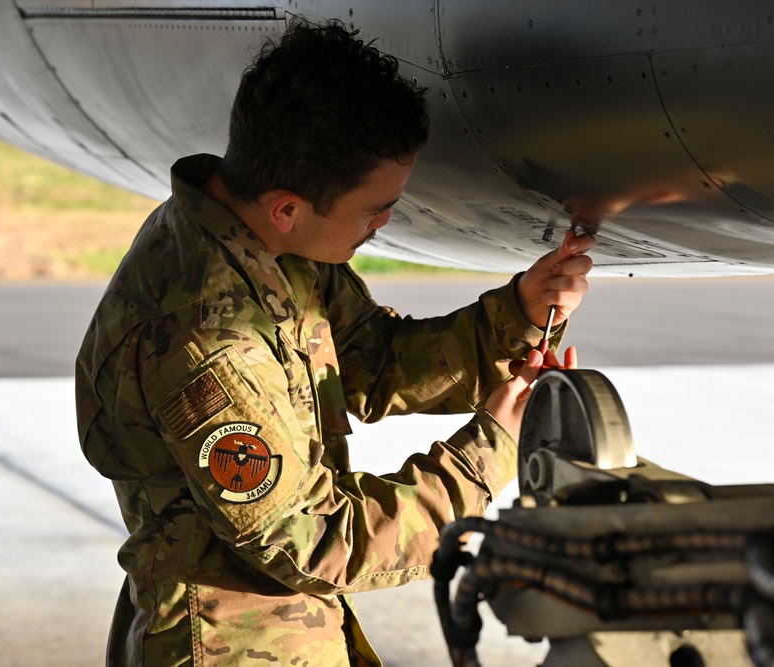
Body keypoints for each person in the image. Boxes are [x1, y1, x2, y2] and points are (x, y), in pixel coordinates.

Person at [75, 19, 595, 667]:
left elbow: (371, 361)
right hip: (230, 644)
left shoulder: (264, 237)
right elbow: (312, 540)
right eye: (374, 208)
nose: (385, 223)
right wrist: (487, 454)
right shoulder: (208, 341)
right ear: (288, 206)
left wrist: (518, 312)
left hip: (284, 621)